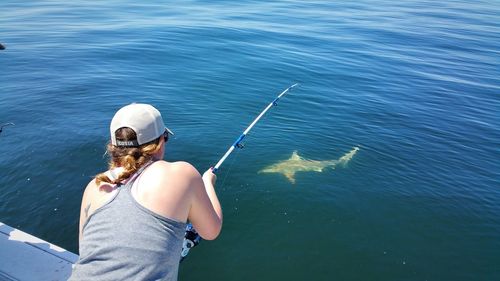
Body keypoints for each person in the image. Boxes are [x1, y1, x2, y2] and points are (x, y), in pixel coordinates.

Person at [69, 103, 222, 281]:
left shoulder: (95, 186)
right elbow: (211, 231)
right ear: (159, 143)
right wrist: (207, 182)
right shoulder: (181, 173)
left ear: (114, 146)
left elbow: (86, 250)